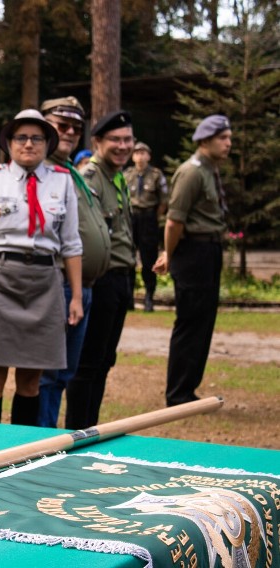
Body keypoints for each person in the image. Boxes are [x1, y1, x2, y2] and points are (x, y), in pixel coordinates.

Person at [0, 109, 83, 426]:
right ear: (9, 143)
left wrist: (77, 296)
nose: (29, 144)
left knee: (31, 383)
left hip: (44, 282)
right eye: (21, 137)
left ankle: (20, 451)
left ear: (47, 143)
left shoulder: (62, 181)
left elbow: (71, 243)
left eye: (36, 138)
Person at [36, 97, 111, 428]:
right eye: (60, 124)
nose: (69, 132)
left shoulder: (70, 172)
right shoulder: (40, 170)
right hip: (55, 283)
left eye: (75, 128)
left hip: (80, 287)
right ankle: (42, 443)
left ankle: (53, 439)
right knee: (48, 374)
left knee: (65, 372)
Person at [153, 115, 231, 407]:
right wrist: (169, 255)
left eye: (229, 138)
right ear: (205, 140)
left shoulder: (210, 169)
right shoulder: (192, 172)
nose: (228, 144)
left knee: (204, 321)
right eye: (223, 138)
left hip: (209, 251)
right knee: (190, 321)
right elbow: (174, 222)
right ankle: (178, 393)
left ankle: (189, 390)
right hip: (192, 253)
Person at [65, 111, 136, 430]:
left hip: (122, 278)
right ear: (97, 142)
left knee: (105, 360)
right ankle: (79, 429)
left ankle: (91, 426)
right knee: (89, 363)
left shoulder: (118, 177)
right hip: (103, 280)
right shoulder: (90, 177)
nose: (123, 146)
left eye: (128, 140)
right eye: (115, 140)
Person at [125, 141, 168, 312]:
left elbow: (164, 200)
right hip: (131, 218)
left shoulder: (156, 175)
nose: (140, 156)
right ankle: (128, 297)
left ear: (149, 156)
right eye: (137, 153)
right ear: (133, 156)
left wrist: (154, 217)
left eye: (143, 153)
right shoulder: (127, 174)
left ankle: (149, 296)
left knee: (149, 258)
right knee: (128, 257)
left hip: (148, 218)